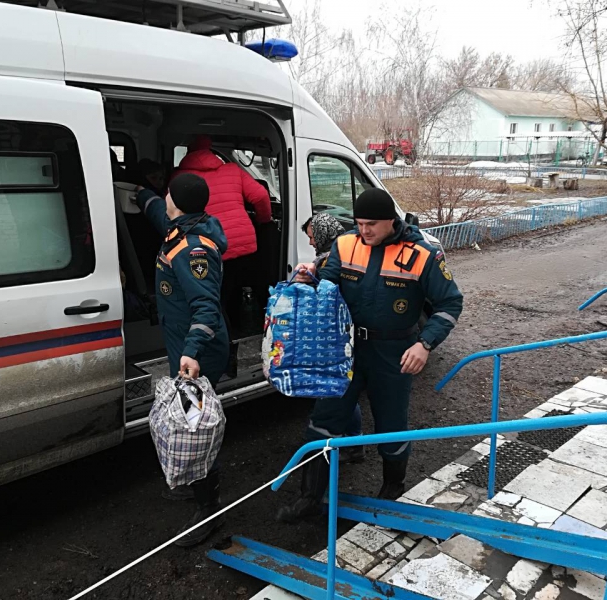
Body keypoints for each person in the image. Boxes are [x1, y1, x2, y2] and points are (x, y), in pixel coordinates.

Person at [277, 189, 464, 523]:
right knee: (324, 420)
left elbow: (450, 303)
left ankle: (392, 490)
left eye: (372, 225)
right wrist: (311, 278)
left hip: (393, 354)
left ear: (391, 221)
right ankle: (309, 496)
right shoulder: (346, 244)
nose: (364, 231)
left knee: (391, 425)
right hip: (346, 351)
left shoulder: (422, 254)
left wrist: (425, 344)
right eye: (360, 223)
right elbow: (330, 280)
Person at [135, 173, 230, 547]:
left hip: (200, 352)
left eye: (166, 195)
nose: (164, 199)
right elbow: (159, 213)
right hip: (185, 348)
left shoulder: (193, 250)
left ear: (177, 200)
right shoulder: (180, 227)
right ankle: (196, 486)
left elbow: (205, 307)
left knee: (195, 427)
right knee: (190, 421)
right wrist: (140, 192)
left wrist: (192, 351)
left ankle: (210, 510)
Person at [171, 135, 272, 326]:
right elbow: (260, 196)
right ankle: (249, 328)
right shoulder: (232, 169)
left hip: (207, 246)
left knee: (215, 297)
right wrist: (263, 221)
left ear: (188, 153)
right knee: (239, 288)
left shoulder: (179, 178)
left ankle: (221, 338)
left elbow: (171, 212)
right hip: (243, 243)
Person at [302, 212, 364, 464]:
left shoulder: (330, 261)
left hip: (336, 336)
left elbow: (326, 296)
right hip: (348, 332)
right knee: (343, 390)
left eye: (312, 236)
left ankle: (347, 443)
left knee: (336, 391)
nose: (310, 242)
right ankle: (355, 440)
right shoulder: (349, 251)